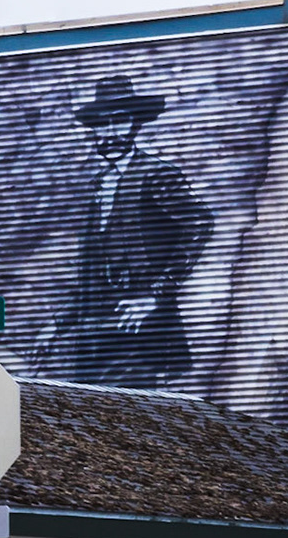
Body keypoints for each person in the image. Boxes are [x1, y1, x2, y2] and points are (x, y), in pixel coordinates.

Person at [49, 74, 213, 387]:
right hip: (96, 338)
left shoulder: (157, 175)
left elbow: (200, 224)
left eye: (119, 121)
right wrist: (57, 326)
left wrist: (153, 295)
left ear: (135, 124)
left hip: (139, 334)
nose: (109, 132)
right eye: (101, 123)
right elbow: (92, 272)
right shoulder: (97, 185)